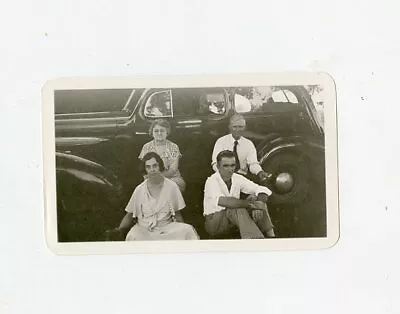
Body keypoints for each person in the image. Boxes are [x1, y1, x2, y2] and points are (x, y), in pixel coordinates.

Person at [114, 152, 199, 241]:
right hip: (144, 231)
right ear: (145, 169)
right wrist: (118, 231)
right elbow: (130, 214)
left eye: (155, 166)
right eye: (148, 167)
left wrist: (181, 231)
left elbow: (177, 214)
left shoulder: (172, 186)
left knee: (188, 230)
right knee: (133, 235)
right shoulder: (140, 189)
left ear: (160, 166)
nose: (152, 169)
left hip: (166, 229)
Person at [204, 150, 275, 239]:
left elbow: (261, 189)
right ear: (218, 166)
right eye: (225, 166)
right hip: (215, 223)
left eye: (232, 165)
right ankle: (255, 240)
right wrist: (251, 205)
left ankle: (271, 236)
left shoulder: (237, 178)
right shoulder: (211, 181)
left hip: (232, 220)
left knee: (255, 198)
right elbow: (224, 201)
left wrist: (259, 204)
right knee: (237, 208)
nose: (230, 169)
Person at [211, 114, 270, 183]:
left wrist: (259, 172)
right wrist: (226, 175)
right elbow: (215, 163)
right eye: (235, 127)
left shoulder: (249, 144)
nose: (237, 130)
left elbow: (252, 164)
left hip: (243, 178)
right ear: (230, 127)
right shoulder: (221, 142)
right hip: (224, 178)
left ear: (244, 128)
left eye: (240, 127)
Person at [139, 119, 186, 192]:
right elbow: (144, 169)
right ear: (152, 132)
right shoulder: (146, 147)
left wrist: (157, 178)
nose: (159, 133)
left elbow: (173, 170)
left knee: (169, 188)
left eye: (162, 130)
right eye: (156, 131)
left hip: (172, 179)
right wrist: (152, 180)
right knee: (145, 189)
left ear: (167, 132)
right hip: (151, 179)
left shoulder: (173, 147)